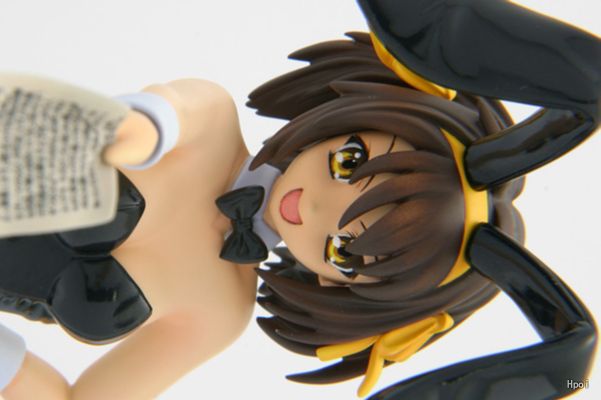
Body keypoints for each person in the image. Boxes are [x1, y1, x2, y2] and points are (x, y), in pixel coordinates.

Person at [0, 1, 599, 399]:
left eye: (343, 251)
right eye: (350, 162)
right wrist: (124, 135)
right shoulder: (208, 124)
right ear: (365, 114)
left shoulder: (218, 314)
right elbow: (139, 121)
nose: (313, 208)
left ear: (344, 290)